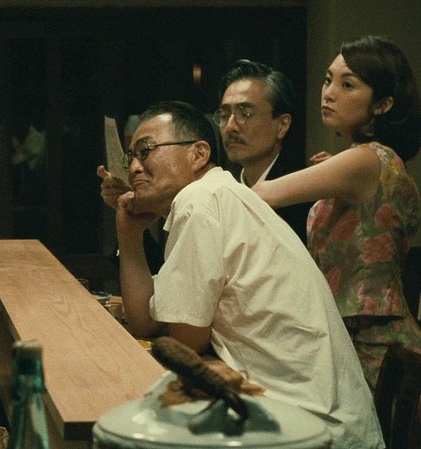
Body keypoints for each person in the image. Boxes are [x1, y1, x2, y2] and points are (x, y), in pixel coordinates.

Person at [99, 100, 383, 448]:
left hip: (310, 428)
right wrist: (129, 234)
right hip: (310, 418)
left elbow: (184, 346)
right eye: (131, 157)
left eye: (146, 151)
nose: (134, 167)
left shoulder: (201, 200)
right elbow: (146, 323)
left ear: (198, 154)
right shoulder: (218, 195)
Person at [252, 35, 421, 389]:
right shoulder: (374, 160)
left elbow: (264, 194)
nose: (329, 93)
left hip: (373, 344)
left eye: (348, 85)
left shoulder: (365, 159)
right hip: (353, 335)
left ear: (383, 104)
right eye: (328, 80)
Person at [215, 59, 312, 243]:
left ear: (282, 125)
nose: (230, 127)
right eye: (224, 115)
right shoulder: (223, 195)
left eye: (245, 114)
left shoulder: (306, 195)